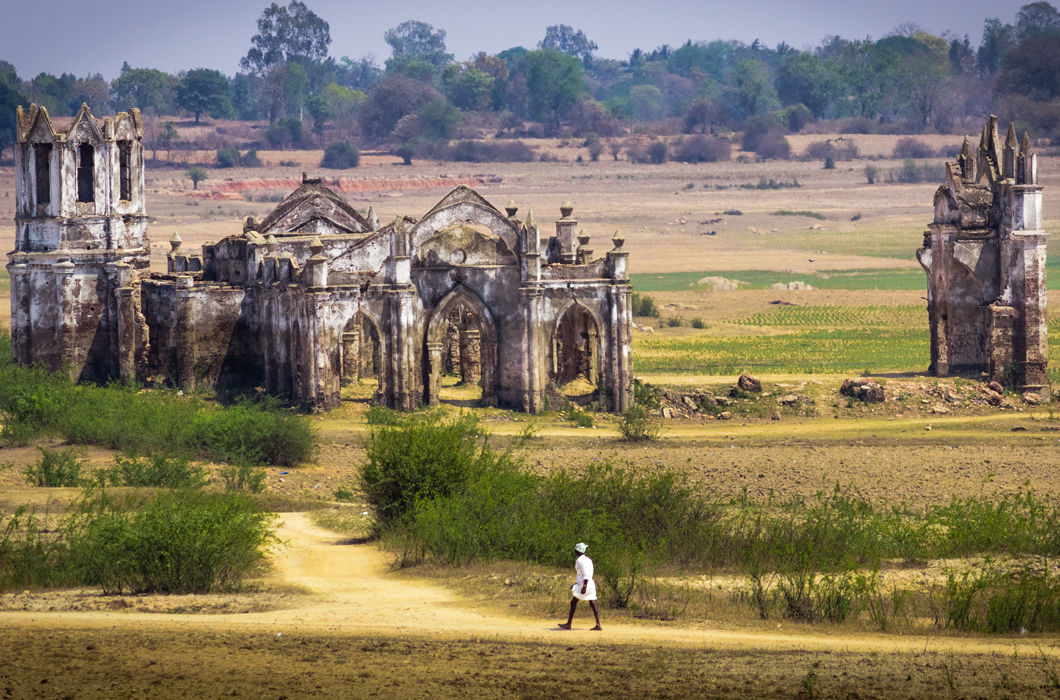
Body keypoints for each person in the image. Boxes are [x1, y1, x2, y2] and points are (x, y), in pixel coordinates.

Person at [558, 542, 601, 630]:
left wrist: (584, 586)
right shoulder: (588, 559)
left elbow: (585, 573)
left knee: (573, 602)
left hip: (584, 584)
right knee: (592, 603)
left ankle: (568, 624)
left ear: (577, 551)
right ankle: (598, 624)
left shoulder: (579, 561)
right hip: (590, 583)